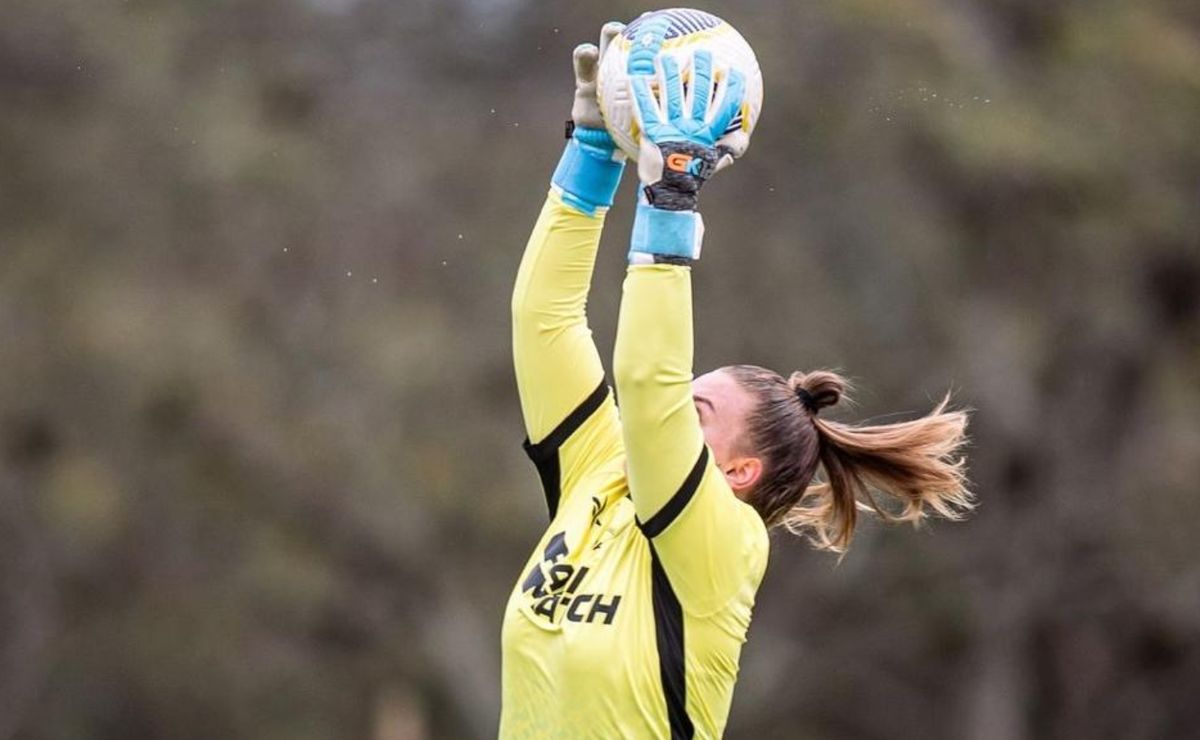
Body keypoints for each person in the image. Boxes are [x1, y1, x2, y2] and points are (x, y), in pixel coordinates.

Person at [500, 21, 973, 740]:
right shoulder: (598, 476)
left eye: (697, 409)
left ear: (739, 471)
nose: (662, 412)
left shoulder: (723, 548)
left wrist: (670, 203)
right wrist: (592, 156)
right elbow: (545, 319)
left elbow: (646, 380)